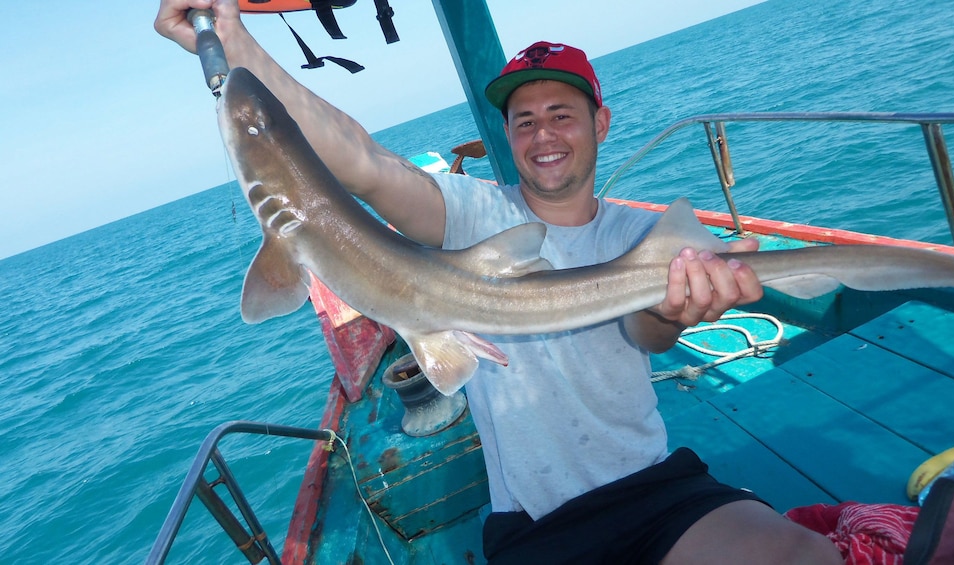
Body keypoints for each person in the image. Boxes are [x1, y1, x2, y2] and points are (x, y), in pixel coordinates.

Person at [156, 2, 842, 563]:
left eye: (561, 114)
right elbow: (359, 160)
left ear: (601, 124)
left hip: (654, 488)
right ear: (506, 137)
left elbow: (648, 330)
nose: (543, 133)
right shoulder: (471, 213)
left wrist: (681, 309)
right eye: (524, 120)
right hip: (535, 522)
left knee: (809, 559)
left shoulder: (639, 237)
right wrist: (232, 39)